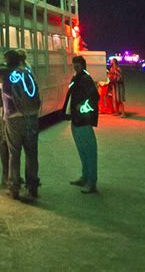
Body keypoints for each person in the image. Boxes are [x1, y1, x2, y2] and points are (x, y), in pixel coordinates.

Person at [0, 49, 41, 200]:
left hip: (14, 118)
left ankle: (14, 186)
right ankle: (32, 186)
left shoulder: (7, 76)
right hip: (32, 116)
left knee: (14, 154)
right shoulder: (27, 72)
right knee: (31, 153)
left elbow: (3, 92)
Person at [63, 55, 100, 194]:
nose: (75, 67)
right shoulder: (78, 77)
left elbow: (95, 97)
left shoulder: (84, 79)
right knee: (83, 151)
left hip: (83, 121)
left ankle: (91, 182)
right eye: (74, 65)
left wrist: (83, 107)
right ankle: (86, 177)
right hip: (77, 120)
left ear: (82, 65)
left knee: (89, 152)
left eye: (77, 65)